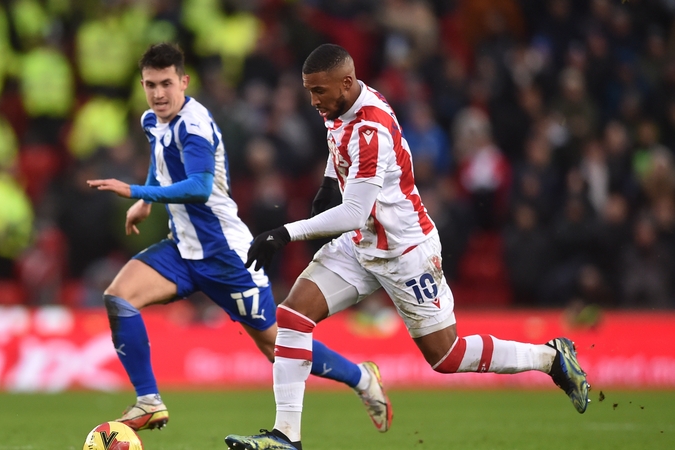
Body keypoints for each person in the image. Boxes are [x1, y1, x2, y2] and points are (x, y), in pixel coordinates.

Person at [225, 44, 590, 450]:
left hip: (405, 252)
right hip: (363, 244)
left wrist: (284, 233)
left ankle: (551, 358)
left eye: (318, 92)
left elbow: (352, 212)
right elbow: (338, 150)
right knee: (292, 317)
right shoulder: (343, 105)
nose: (313, 101)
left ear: (346, 83)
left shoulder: (371, 130)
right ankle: (285, 437)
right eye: (309, 91)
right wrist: (329, 183)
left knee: (446, 357)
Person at [86, 43, 391, 433]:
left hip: (225, 255)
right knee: (119, 296)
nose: (158, 94)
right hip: (183, 248)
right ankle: (149, 401)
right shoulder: (152, 120)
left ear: (184, 81)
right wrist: (147, 197)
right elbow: (161, 159)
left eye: (165, 83)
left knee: (276, 347)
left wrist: (137, 193)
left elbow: (198, 187)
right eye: (150, 85)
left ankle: (361, 378)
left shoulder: (194, 127)